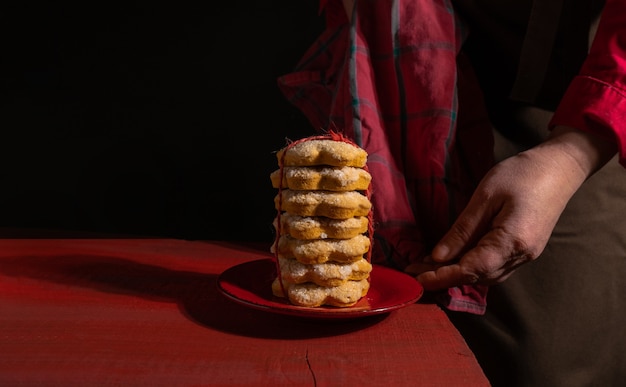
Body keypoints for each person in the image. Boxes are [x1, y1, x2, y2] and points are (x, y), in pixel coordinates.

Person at [278, 0, 626, 385]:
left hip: (579, 87)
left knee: (547, 362)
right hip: (401, 59)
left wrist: (571, 157)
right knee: (366, 348)